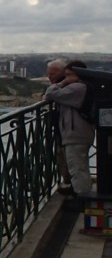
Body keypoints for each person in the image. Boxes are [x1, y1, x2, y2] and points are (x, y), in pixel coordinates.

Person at [45, 60, 95, 197]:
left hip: (76, 134)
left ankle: (82, 196)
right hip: (81, 132)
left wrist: (62, 83)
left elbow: (50, 93)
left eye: (69, 75)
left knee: (77, 168)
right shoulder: (84, 87)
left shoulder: (77, 88)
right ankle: (79, 190)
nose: (66, 78)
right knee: (79, 166)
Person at [45, 58, 73, 193]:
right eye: (48, 74)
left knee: (71, 161)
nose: (49, 77)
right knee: (63, 158)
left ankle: (75, 190)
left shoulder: (68, 87)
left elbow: (49, 95)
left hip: (69, 131)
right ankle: (70, 185)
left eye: (53, 74)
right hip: (63, 130)